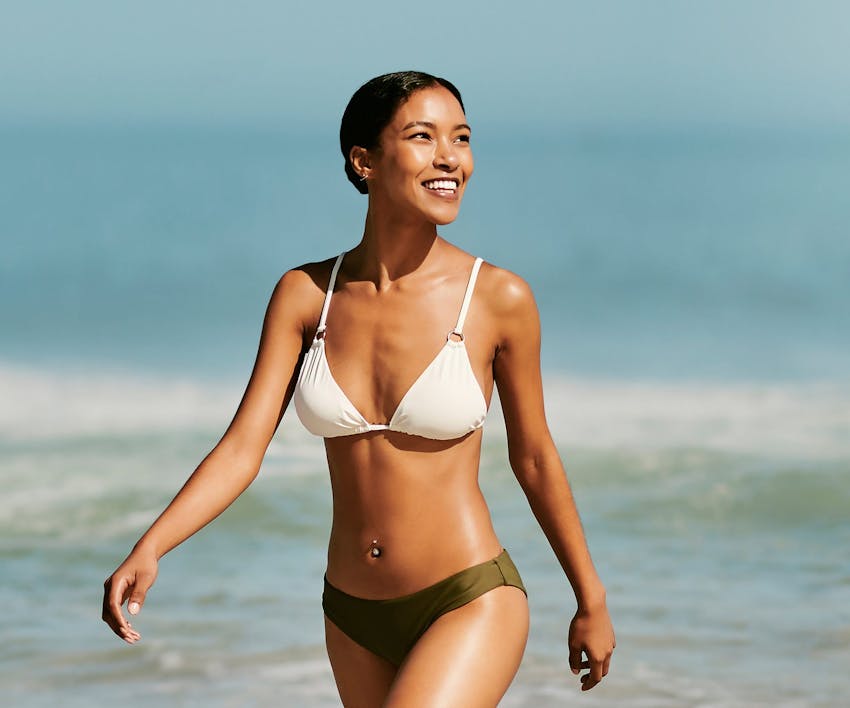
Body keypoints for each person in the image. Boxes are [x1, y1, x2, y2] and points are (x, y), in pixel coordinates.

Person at [102, 71, 615, 706]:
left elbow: (534, 456)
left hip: (468, 595)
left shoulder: (498, 299)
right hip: (350, 613)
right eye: (422, 137)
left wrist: (589, 598)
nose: (450, 157)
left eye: (461, 138)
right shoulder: (305, 295)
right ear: (364, 161)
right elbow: (242, 448)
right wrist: (152, 546)